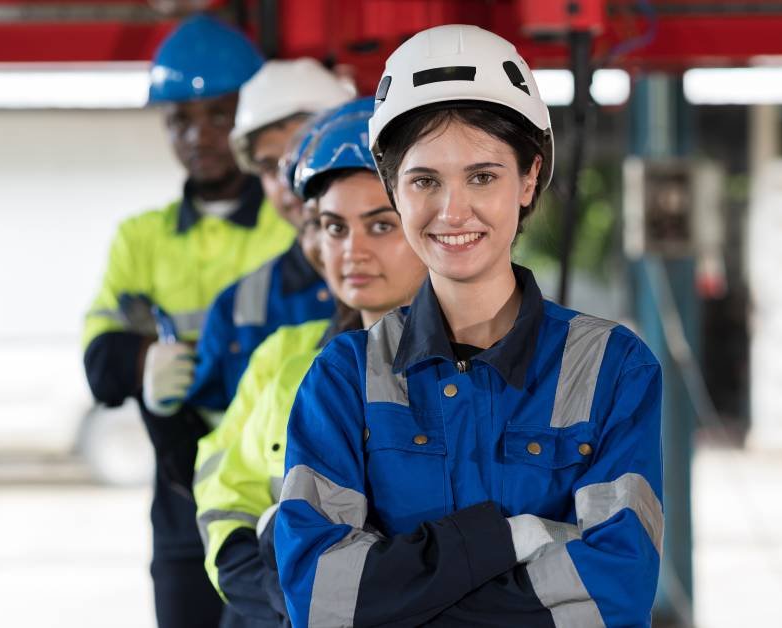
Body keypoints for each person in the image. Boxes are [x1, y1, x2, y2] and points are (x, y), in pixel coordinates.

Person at [275, 24, 665, 627]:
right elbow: (323, 599)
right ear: (393, 188)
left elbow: (613, 596)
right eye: (425, 180)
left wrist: (405, 592)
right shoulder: (343, 379)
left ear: (529, 178)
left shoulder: (613, 368)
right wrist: (505, 539)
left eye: (482, 176)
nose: (453, 211)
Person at [80, 14, 292, 628]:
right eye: (180, 120)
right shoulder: (139, 238)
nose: (198, 136)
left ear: (248, 117)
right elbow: (99, 358)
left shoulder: (296, 224)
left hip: (274, 489)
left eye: (218, 117)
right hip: (179, 498)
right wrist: (142, 360)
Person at [192, 97, 428, 624]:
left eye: (381, 225)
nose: (351, 251)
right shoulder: (282, 355)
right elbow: (223, 485)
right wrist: (262, 590)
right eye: (335, 227)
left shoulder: (474, 369)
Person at [185, 59, 355, 416]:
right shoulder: (235, 309)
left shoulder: (434, 278)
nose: (288, 181)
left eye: (304, 155)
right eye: (268, 166)